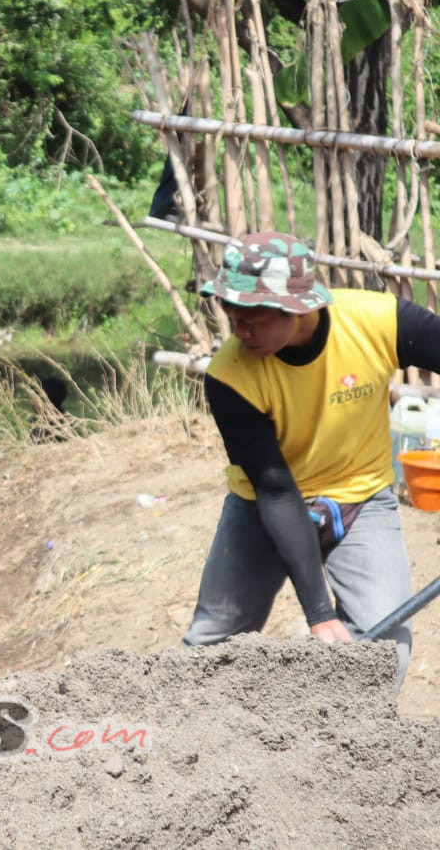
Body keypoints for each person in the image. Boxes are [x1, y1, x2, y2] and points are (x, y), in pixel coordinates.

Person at [184, 231, 440, 688]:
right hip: (265, 507)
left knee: (382, 652)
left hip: (362, 498)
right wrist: (318, 614)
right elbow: (276, 491)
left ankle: (332, 745)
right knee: (212, 643)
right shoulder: (230, 377)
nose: (240, 332)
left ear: (299, 305)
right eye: (231, 315)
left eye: (255, 320)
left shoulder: (378, 322)